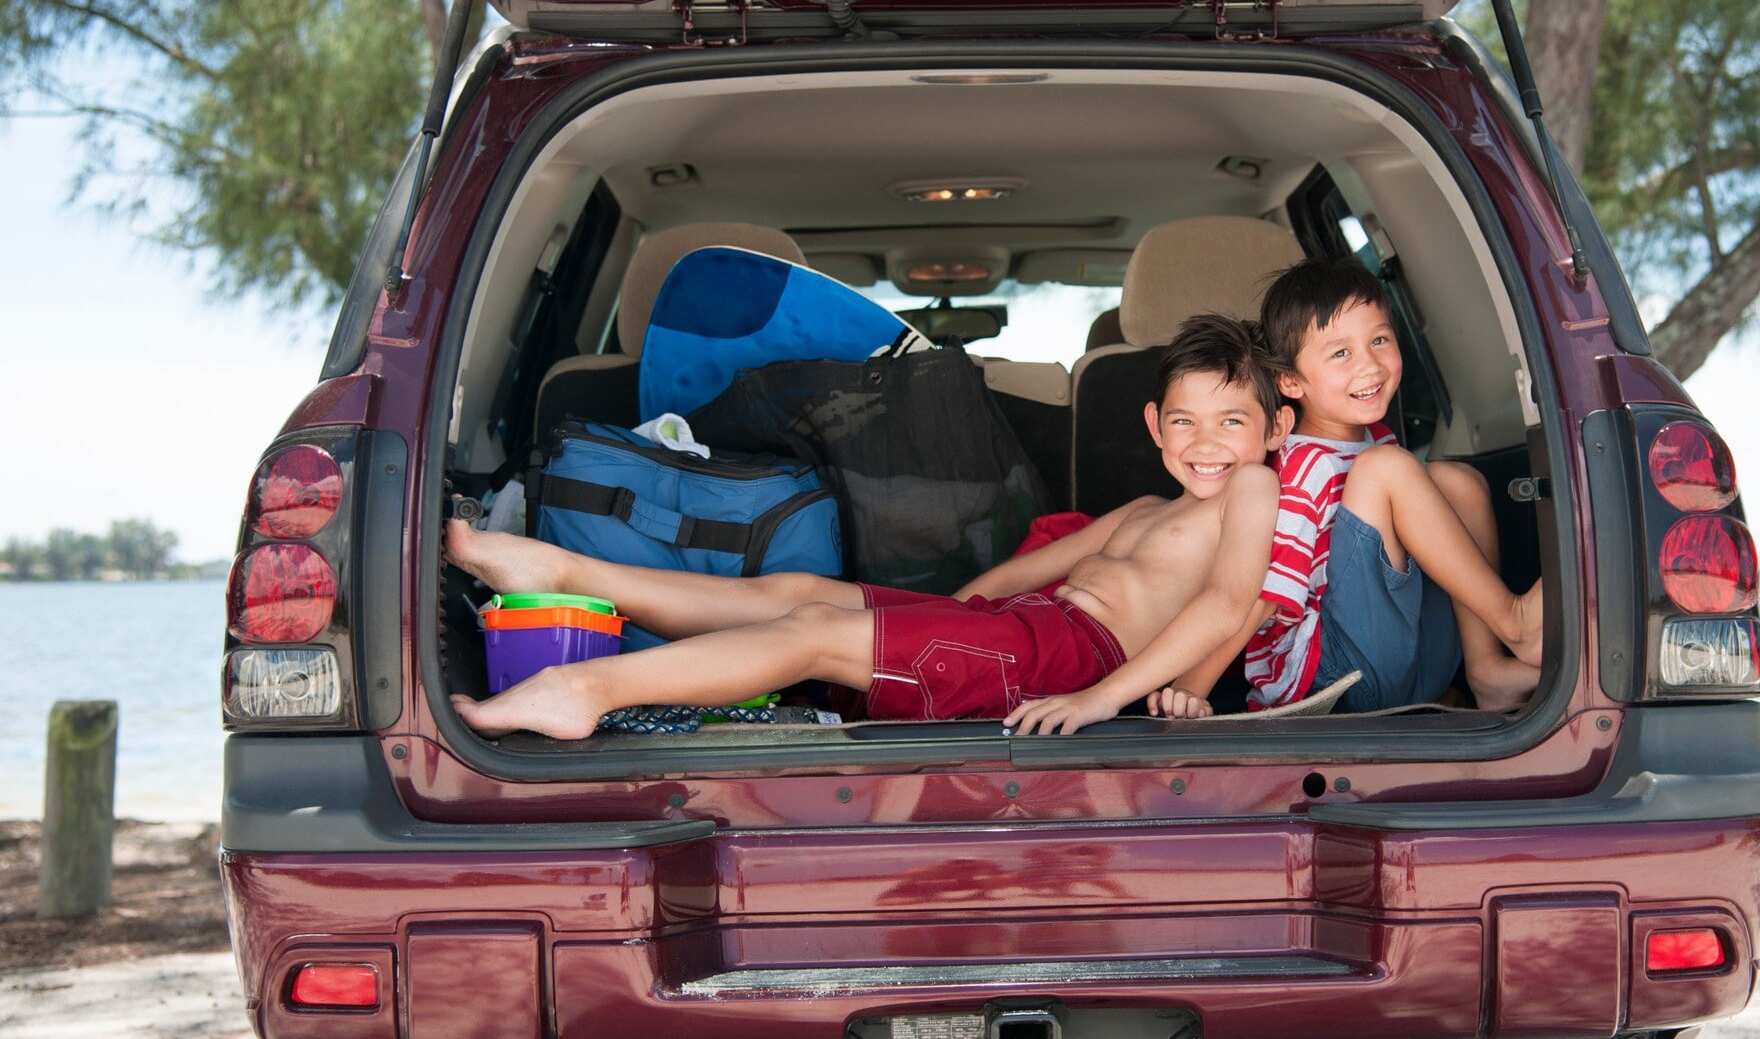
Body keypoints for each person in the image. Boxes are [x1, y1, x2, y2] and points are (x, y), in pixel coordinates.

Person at [446, 314, 1286, 739]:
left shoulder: (1254, 492)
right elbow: (1013, 580)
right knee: (808, 593)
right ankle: (568, 573)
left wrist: (1110, 700)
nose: (1206, 445)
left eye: (1232, 423)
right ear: (1152, 424)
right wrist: (929, 618)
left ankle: (583, 692)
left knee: (812, 631)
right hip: (1018, 631)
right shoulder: (1145, 510)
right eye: (1184, 423)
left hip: (1072, 660)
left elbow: (1228, 605)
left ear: (1276, 431)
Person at [1148, 257, 1542, 719]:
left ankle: (1486, 669)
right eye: (1341, 353)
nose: (1370, 365)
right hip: (1331, 681)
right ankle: (1514, 624)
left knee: (1457, 480)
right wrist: (1192, 687)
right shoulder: (1303, 465)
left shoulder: (1374, 441)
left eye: (1379, 339)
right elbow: (1264, 596)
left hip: (1404, 663)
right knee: (1385, 469)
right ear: (1290, 381)